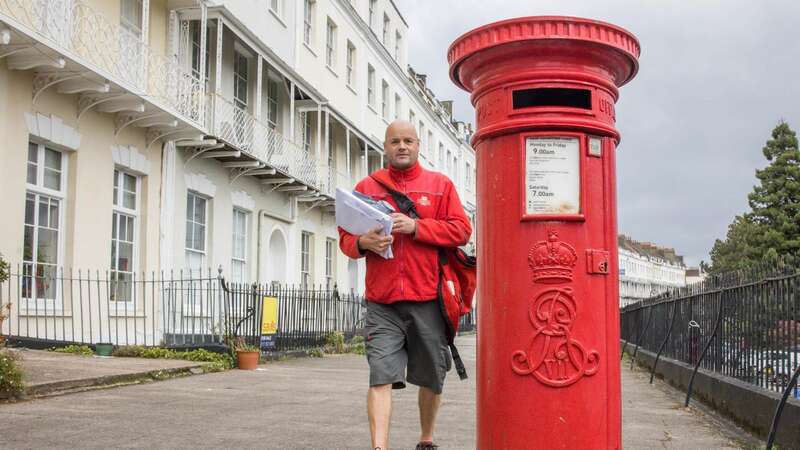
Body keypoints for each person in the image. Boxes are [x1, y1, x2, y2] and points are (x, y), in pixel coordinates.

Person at [338, 120, 472, 450]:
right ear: (385, 146)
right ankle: (379, 447)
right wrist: (361, 243)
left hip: (428, 297)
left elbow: (461, 231)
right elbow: (345, 237)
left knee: (432, 377)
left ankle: (426, 438)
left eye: (408, 141)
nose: (402, 146)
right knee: (380, 375)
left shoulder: (440, 186)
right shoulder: (366, 187)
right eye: (395, 141)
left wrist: (417, 227)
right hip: (382, 301)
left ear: (417, 146)